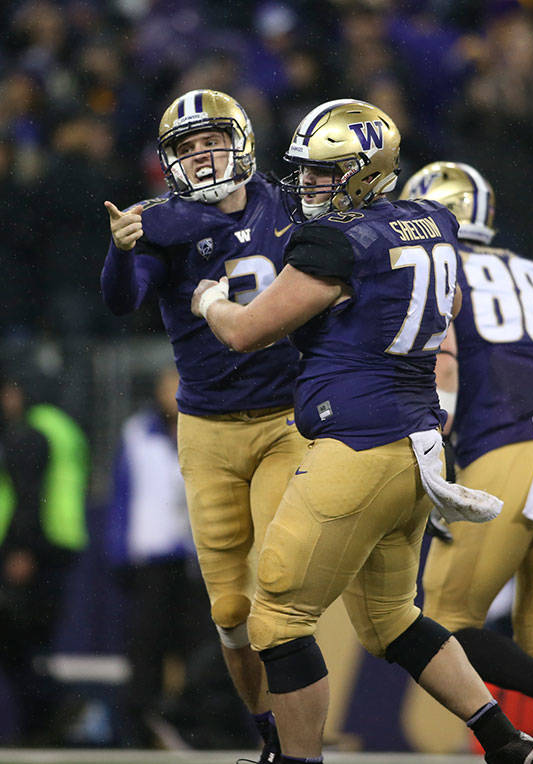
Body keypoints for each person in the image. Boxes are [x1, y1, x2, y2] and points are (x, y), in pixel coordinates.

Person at [190, 98, 533, 764]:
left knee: (277, 617)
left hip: (357, 447)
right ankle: (507, 744)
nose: (307, 185)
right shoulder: (434, 220)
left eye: (324, 173)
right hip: (417, 445)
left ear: (366, 171)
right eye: (303, 172)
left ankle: (297, 761)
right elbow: (439, 310)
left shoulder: (340, 241)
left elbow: (246, 331)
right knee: (393, 619)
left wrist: (210, 298)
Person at [101, 89, 308, 762]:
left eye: (210, 140)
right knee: (230, 613)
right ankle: (270, 735)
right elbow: (122, 299)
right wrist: (117, 251)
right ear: (170, 163)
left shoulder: (289, 202)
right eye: (186, 148)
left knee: (277, 585)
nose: (201, 154)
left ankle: (300, 744)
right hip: (209, 427)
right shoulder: (161, 223)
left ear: (241, 140)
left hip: (285, 417)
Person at [399, 161, 533, 764]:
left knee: (442, 622)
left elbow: (445, 366)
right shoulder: (527, 272)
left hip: (503, 449)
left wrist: (438, 468)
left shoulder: (441, 269)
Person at [105, 365, 233, 748]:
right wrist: (118, 552)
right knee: (146, 647)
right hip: (151, 560)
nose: (173, 393)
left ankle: (196, 725)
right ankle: (141, 730)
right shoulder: (137, 434)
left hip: (194, 560)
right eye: (167, 385)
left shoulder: (205, 429)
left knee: (202, 649)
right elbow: (122, 495)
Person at [0, 372, 89, 744]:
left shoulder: (30, 432)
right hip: (59, 543)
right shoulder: (64, 427)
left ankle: (49, 713)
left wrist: (21, 547)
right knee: (32, 638)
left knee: (17, 639)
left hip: (34, 548)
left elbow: (28, 492)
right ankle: (48, 718)